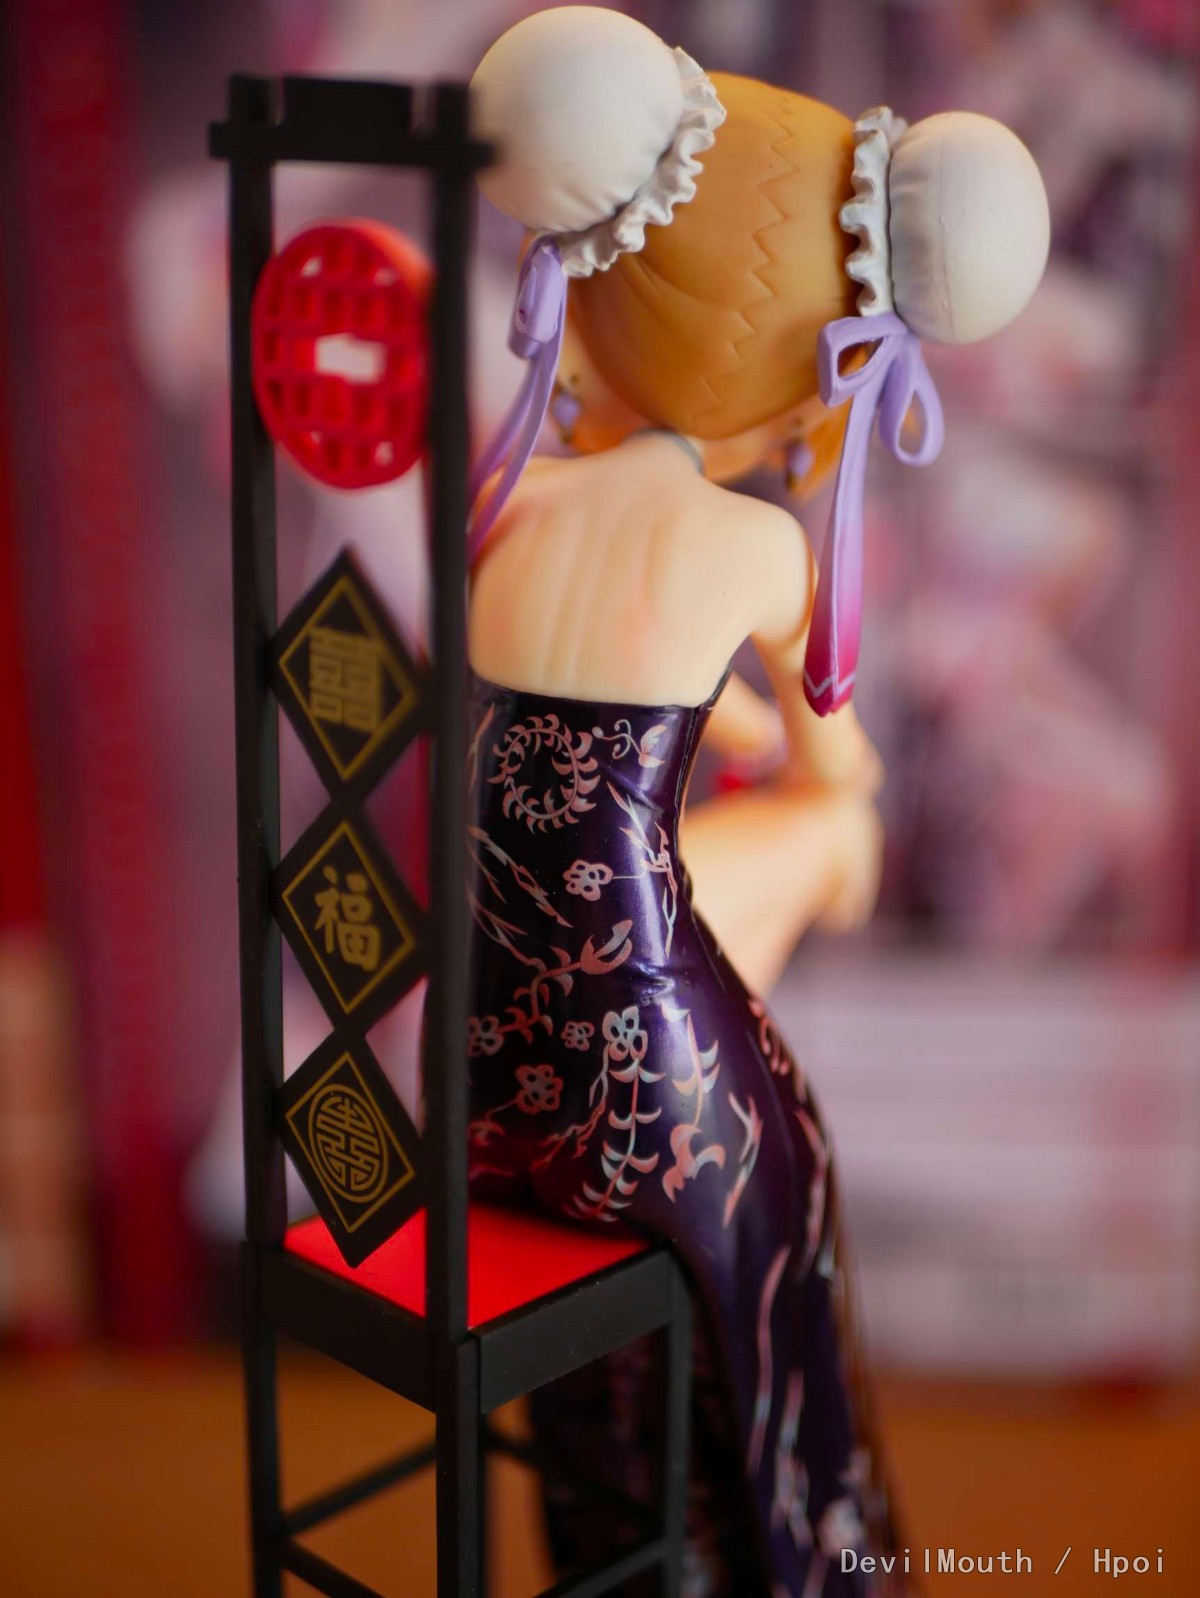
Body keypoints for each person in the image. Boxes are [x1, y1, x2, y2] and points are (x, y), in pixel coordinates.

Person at [460, 9, 1049, 1592]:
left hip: (484, 1060)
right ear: (814, 361)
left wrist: (691, 713)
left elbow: (567, 715)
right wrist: (808, 777)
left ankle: (614, 1536)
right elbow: (833, 765)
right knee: (793, 1169)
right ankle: (788, 1556)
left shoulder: (514, 505)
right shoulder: (762, 551)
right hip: (633, 1074)